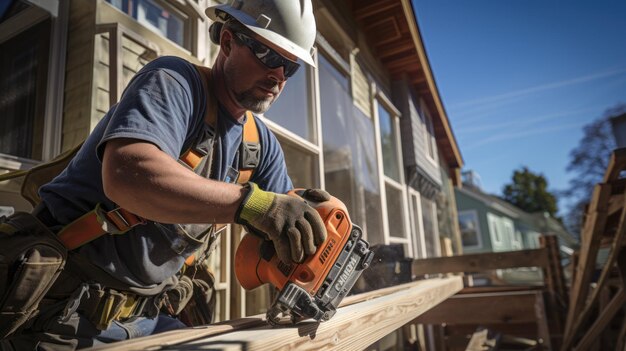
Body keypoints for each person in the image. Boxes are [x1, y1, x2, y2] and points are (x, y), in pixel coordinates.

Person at [0, 0, 328, 349]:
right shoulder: (174, 82)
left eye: (290, 67)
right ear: (229, 42)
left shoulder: (259, 143)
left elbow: (286, 225)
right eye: (268, 55)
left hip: (149, 317)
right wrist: (253, 204)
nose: (278, 76)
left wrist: (316, 231)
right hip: (64, 312)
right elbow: (129, 173)